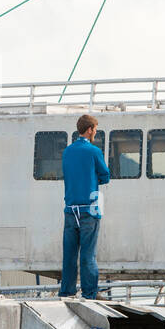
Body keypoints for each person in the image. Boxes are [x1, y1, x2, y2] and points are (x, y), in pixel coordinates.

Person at [61, 114, 109, 298]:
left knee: (70, 256)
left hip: (70, 210)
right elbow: (105, 176)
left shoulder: (67, 151)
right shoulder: (94, 152)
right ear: (89, 130)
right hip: (89, 210)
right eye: (95, 129)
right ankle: (89, 294)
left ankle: (67, 292)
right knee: (88, 256)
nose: (95, 132)